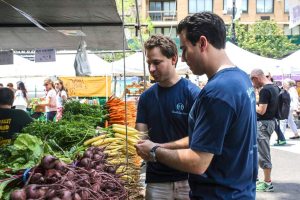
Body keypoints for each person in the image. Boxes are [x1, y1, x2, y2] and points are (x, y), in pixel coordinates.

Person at [135, 12, 257, 199]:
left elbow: (198, 162)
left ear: (202, 43)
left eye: (184, 49)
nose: (183, 58)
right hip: (238, 191)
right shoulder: (241, 79)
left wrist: (154, 151)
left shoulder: (217, 91)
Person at [135, 34, 201, 200]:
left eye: (156, 62)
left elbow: (198, 138)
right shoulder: (146, 98)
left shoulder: (193, 94)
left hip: (188, 179)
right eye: (149, 63)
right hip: (156, 180)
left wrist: (157, 147)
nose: (151, 69)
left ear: (173, 59)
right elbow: (141, 137)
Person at [250, 68, 279, 192]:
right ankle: (259, 179)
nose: (253, 84)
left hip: (263, 124)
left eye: (253, 81)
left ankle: (267, 183)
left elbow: (261, 110)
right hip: (271, 122)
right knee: (259, 152)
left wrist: (251, 103)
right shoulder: (274, 87)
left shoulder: (265, 90)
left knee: (263, 153)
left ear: (256, 78)